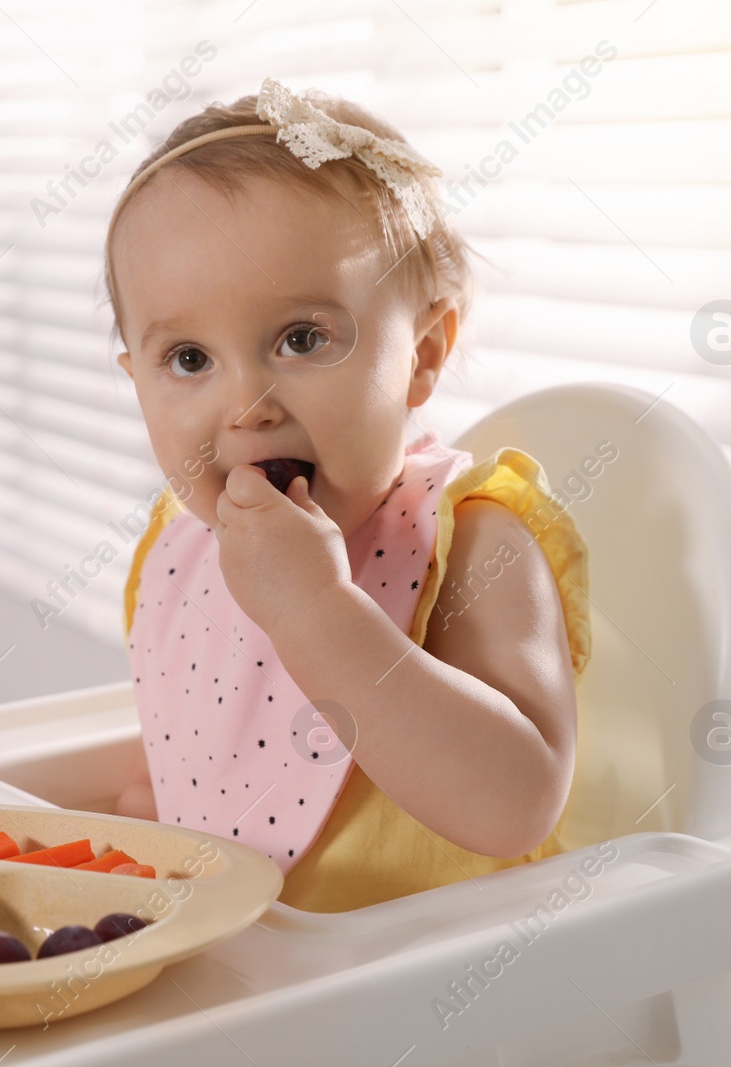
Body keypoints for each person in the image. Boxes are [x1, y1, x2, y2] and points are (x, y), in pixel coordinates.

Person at [106, 78, 593, 912]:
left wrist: (316, 611)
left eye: (302, 339)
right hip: (261, 989)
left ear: (425, 352)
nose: (247, 405)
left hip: (444, 1000)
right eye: (189, 359)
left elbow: (516, 801)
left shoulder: (471, 539)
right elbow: (217, 764)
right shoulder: (180, 549)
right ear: (136, 379)